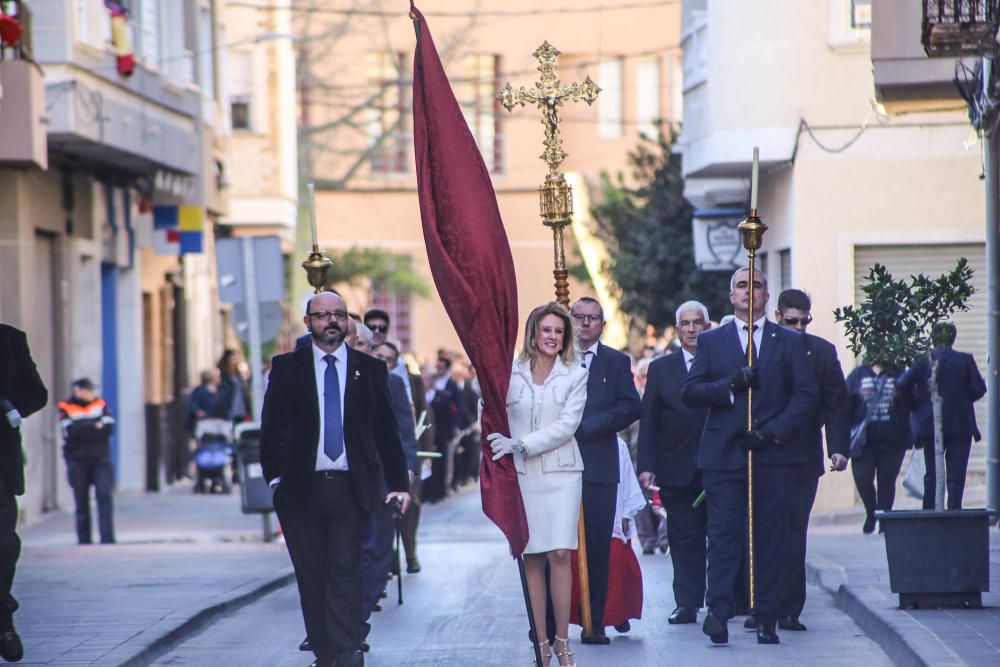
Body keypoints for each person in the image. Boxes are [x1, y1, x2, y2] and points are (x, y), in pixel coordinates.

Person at [260, 291, 410, 667]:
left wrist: (398, 484)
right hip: (301, 490)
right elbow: (271, 429)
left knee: (345, 570)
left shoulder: (370, 370)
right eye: (322, 315)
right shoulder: (286, 368)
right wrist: (275, 479)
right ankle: (325, 653)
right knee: (312, 575)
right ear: (308, 322)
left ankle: (347, 652)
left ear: (347, 322)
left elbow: (386, 432)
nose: (331, 321)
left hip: (350, 487)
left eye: (338, 315)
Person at [682, 268, 817, 646]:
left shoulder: (788, 341)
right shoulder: (712, 341)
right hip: (724, 455)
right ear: (731, 296)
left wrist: (773, 431)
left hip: (773, 455)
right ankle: (720, 611)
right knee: (724, 535)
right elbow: (691, 392)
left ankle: (767, 614)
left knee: (771, 537)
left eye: (755, 285)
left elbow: (806, 395)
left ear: (766, 295)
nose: (748, 291)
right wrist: (728, 385)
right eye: (742, 285)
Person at [487, 301, 588, 667]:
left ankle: (563, 642)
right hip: (523, 476)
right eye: (546, 330)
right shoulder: (509, 373)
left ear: (566, 337)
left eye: (559, 331)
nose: (552, 337)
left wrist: (522, 444)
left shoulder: (575, 374)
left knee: (560, 553)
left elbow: (567, 426)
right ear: (534, 332)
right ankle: (541, 645)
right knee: (532, 558)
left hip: (561, 473)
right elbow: (492, 412)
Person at [772, 289, 850, 631]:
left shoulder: (821, 352)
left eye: (805, 321)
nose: (799, 327)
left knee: (792, 533)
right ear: (778, 317)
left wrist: (838, 447)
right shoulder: (762, 348)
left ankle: (790, 609)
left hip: (803, 456)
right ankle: (759, 604)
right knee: (761, 532)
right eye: (792, 321)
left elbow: (837, 402)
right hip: (762, 453)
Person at [569, 296, 642, 645]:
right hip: (558, 467)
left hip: (598, 463)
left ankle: (595, 620)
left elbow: (631, 406)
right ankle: (552, 619)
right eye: (578, 317)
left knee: (598, 545)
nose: (585, 324)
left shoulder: (615, 362)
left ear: (602, 323)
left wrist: (590, 426)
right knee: (557, 547)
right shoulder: (556, 358)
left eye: (592, 318)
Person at [638, 301, 711, 626]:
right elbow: (649, 420)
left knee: (725, 537)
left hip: (719, 465)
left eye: (697, 323)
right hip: (676, 467)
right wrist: (647, 465)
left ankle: (729, 600)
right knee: (683, 539)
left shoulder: (721, 361)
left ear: (707, 326)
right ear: (677, 328)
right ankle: (688, 603)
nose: (692, 329)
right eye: (685, 323)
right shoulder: (661, 369)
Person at [897, 322, 986, 509]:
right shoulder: (964, 360)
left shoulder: (923, 361)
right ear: (953, 339)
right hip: (960, 425)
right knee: (956, 473)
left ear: (933, 338)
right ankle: (954, 509)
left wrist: (915, 405)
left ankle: (930, 510)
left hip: (928, 425)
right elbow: (979, 388)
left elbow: (901, 385)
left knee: (932, 473)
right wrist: (961, 399)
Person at [0, 324, 47, 663]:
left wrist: (11, 409)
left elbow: (37, 394)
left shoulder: (10, 340)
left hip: (0, 463)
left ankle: (3, 620)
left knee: (4, 545)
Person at [847, 355, 914, 533]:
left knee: (887, 480)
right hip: (864, 441)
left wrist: (900, 396)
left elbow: (912, 401)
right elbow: (846, 404)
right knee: (862, 477)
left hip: (893, 439)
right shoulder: (857, 375)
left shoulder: (899, 373)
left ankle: (884, 519)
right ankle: (872, 511)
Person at [58, 379, 117, 545]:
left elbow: (108, 428)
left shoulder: (100, 404)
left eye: (88, 390)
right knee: (81, 500)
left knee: (105, 497)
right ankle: (84, 540)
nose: (86, 393)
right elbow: (69, 431)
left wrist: (84, 427)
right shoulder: (66, 407)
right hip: (77, 460)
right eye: (82, 391)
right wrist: (94, 426)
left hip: (100, 460)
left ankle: (107, 538)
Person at [423, 356, 462, 503]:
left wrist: (449, 433)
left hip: (441, 436)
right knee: (427, 466)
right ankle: (426, 493)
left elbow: (450, 416)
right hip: (426, 437)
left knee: (440, 465)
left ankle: (438, 492)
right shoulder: (421, 398)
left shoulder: (444, 396)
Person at [216, 349, 251, 424]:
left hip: (241, 411)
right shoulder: (223, 377)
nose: (235, 362)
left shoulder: (237, 376)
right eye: (233, 359)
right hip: (229, 412)